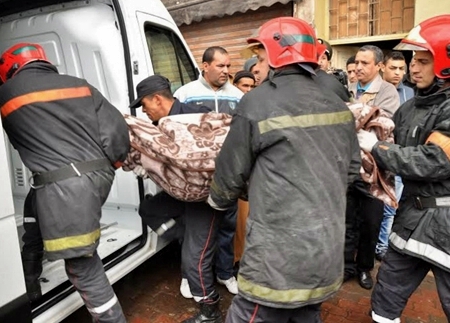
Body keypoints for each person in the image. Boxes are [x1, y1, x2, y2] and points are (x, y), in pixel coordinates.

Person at [207, 17, 360, 323]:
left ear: (278, 56)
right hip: (324, 246)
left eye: (261, 59)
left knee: (251, 313)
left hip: (276, 252)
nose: (256, 68)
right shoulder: (337, 102)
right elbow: (352, 169)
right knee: (307, 310)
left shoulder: (257, 103)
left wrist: (218, 202)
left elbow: (230, 173)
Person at [0, 43, 130, 322]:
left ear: (9, 71)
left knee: (82, 266)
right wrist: (111, 164)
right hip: (96, 177)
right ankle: (30, 272)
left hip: (65, 189)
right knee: (36, 202)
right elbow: (117, 131)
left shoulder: (3, 95)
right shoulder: (80, 85)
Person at [356, 15, 450, 322]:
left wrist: (376, 147)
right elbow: (391, 145)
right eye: (413, 59)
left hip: (445, 225)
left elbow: (433, 161)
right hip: (410, 218)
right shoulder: (409, 107)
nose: (413, 66)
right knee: (385, 300)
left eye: (423, 60)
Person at [131, 74, 224, 323]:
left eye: (144, 104)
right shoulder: (158, 127)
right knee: (149, 208)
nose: (143, 111)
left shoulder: (197, 116)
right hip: (181, 194)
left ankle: (210, 310)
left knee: (195, 258)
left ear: (158, 99)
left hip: (205, 198)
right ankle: (182, 235)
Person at [174, 46, 243, 297]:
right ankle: (187, 275)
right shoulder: (185, 94)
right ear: (205, 65)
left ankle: (225, 273)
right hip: (194, 178)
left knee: (227, 226)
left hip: (227, 176)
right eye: (220, 66)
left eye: (228, 66)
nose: (226, 71)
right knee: (191, 230)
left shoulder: (238, 96)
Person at [343, 45, 401, 290]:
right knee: (347, 221)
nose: (358, 67)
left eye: (365, 63)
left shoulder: (388, 92)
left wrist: (351, 115)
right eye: (357, 62)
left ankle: (364, 268)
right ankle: (346, 266)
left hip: (375, 171)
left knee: (370, 222)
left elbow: (381, 123)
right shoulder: (347, 88)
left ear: (378, 66)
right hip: (348, 166)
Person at [375, 51, 414, 261]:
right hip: (379, 156)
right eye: (393, 68)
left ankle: (382, 246)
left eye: (402, 68)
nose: (398, 73)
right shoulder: (376, 91)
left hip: (402, 158)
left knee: (391, 207)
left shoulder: (410, 93)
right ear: (382, 67)